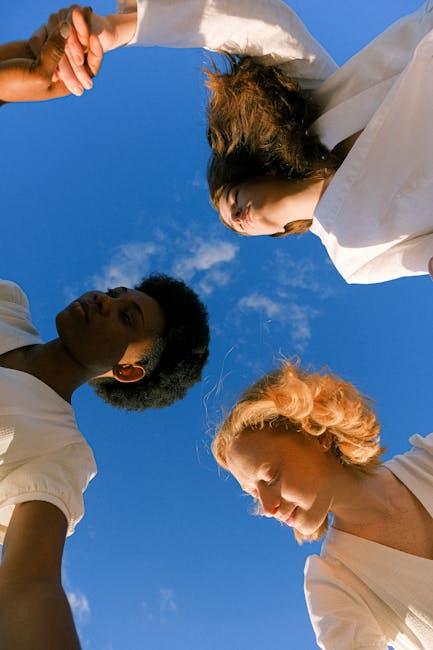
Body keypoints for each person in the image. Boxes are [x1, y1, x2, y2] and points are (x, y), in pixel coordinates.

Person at [36, 0, 433, 284]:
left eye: (231, 198)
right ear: (277, 235)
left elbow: (263, 26)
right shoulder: (356, 259)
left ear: (255, 170)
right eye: (235, 228)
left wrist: (122, 29)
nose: (233, 216)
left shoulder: (317, 108)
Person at [0, 275, 209, 649]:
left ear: (127, 370)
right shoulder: (7, 303)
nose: (104, 301)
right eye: (114, 294)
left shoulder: (61, 451)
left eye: (127, 318)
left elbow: (30, 584)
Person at [211, 360, 433, 649]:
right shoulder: (332, 583)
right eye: (254, 495)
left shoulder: (428, 459)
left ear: (320, 435)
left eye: (270, 476)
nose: (267, 508)